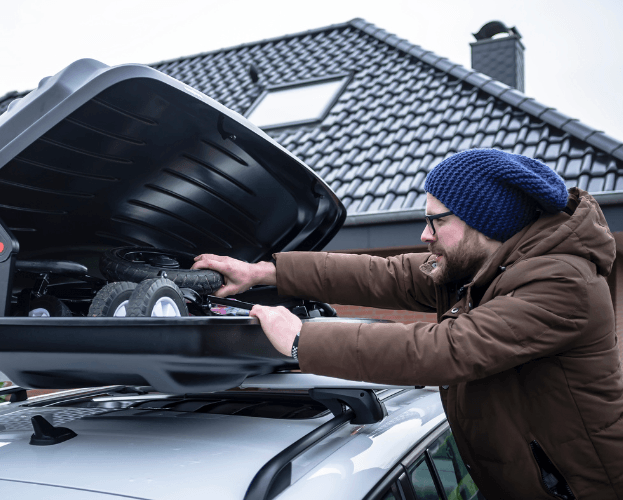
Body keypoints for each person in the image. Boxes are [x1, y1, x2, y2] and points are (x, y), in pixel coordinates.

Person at [192, 149, 623, 500]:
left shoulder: (563, 282)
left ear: (487, 222)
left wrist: (302, 339)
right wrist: (265, 273)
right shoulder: (482, 268)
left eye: (438, 220)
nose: (425, 234)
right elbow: (385, 274)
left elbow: (447, 350)